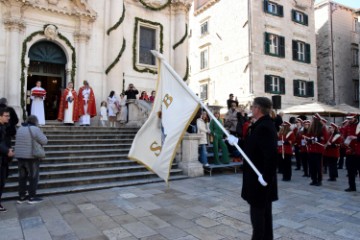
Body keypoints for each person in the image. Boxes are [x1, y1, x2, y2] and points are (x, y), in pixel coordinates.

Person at [241, 97, 278, 240]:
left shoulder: (264, 127)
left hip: (260, 181)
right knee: (263, 217)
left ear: (258, 109)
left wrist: (266, 177)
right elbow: (253, 147)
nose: (251, 109)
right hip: (259, 180)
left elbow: (271, 156)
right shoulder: (261, 125)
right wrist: (237, 141)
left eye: (252, 107)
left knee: (258, 220)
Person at [15, 115, 47, 204]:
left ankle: (21, 197)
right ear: (35, 122)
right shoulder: (35, 129)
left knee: (22, 177)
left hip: (20, 157)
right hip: (31, 157)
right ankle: (32, 197)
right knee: (33, 177)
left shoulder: (20, 129)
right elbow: (44, 141)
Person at [306, 113, 329, 187]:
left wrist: (318, 139)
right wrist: (309, 140)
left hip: (318, 150)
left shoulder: (322, 128)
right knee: (312, 166)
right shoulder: (311, 128)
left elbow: (325, 138)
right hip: (311, 149)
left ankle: (319, 180)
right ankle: (313, 179)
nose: (312, 121)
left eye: (314, 119)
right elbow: (308, 136)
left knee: (318, 166)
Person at [0, 107, 15, 212]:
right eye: (6, 116)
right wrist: (7, 151)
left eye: (9, 116)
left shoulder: (5, 126)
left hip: (4, 159)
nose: (8, 118)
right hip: (1, 158)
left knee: (2, 180)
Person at [343, 114, 359, 191]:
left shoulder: (359, 126)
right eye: (348, 119)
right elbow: (344, 136)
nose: (349, 120)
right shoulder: (347, 127)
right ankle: (352, 187)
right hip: (349, 151)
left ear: (355, 118)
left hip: (358, 152)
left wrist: (356, 137)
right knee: (350, 171)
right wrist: (345, 142)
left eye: (351, 119)